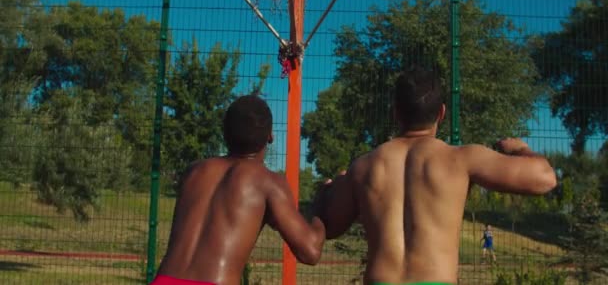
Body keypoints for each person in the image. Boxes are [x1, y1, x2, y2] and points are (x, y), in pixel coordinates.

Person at [313, 66, 557, 285]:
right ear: (441, 113)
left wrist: (327, 190)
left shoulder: (363, 167)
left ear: (396, 113)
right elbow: (545, 178)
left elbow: (331, 228)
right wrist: (519, 149)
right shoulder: (461, 159)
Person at [152, 95, 326, 285]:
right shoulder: (267, 181)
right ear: (270, 137)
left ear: (224, 133)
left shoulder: (194, 172)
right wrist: (321, 206)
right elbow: (310, 251)